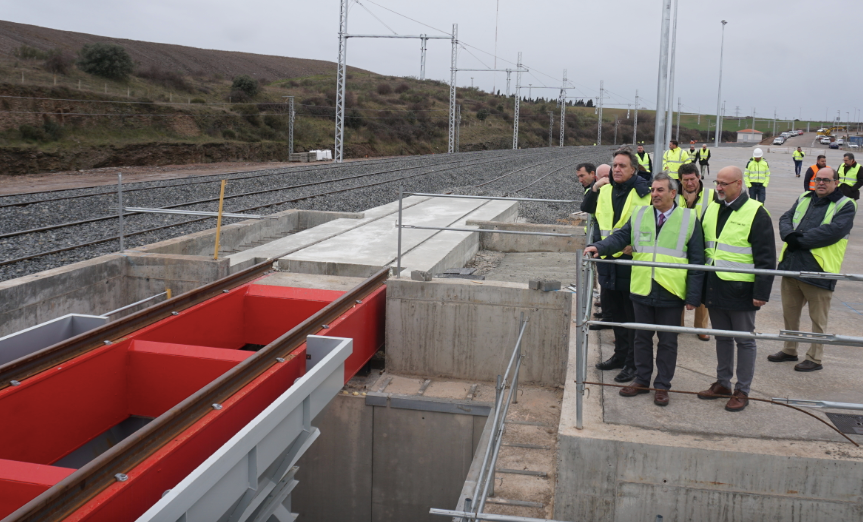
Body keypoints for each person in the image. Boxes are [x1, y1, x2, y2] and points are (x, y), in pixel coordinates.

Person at [585, 172, 704, 406]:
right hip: (641, 287)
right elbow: (620, 237)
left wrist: (693, 296)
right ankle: (641, 380)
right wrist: (598, 246)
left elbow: (697, 261)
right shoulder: (640, 215)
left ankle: (662, 386)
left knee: (668, 341)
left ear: (673, 193)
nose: (655, 194)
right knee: (641, 338)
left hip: (670, 290)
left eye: (660, 190)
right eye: (653, 190)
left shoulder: (689, 219)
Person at [697, 166, 775, 412]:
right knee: (722, 338)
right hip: (715, 286)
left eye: (724, 183)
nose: (718, 187)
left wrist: (761, 293)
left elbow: (766, 257)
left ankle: (742, 389)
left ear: (739, 184)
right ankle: (723, 383)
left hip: (742, 289)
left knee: (744, 341)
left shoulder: (757, 213)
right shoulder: (712, 208)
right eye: (717, 182)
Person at [769, 168, 857, 371]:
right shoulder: (804, 197)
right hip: (791, 266)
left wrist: (798, 241)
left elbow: (832, 232)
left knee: (818, 319)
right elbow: (785, 218)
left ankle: (815, 358)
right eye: (818, 179)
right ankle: (789, 349)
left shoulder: (845, 205)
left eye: (826, 180)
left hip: (819, 270)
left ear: (836, 182)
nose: (821, 183)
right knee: (790, 313)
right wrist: (787, 235)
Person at [581, 148, 652, 382]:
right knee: (615, 315)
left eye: (622, 165)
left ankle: (632, 363)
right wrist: (594, 187)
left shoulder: (643, 192)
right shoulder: (606, 190)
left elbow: (653, 224)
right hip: (607, 261)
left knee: (631, 317)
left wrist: (638, 245)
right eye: (615, 165)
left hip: (630, 263)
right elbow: (588, 208)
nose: (617, 169)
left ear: (634, 169)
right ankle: (619, 356)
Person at [677, 163, 713, 341]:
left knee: (702, 288)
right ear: (680, 180)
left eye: (692, 179)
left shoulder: (711, 195)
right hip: (680, 246)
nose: (689, 183)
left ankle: (701, 327)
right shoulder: (674, 196)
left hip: (703, 246)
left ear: (699, 177)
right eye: (686, 180)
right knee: (679, 286)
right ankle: (678, 324)